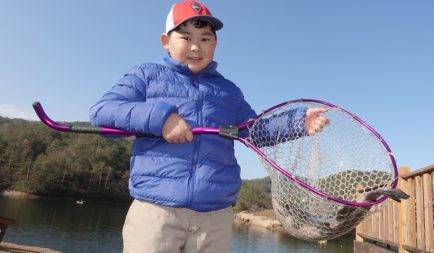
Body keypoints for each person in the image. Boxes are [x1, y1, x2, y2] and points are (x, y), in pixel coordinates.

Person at [89, 1, 328, 252]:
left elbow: (254, 130)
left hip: (216, 215)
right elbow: (102, 111)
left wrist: (297, 122)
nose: (195, 47)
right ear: (165, 41)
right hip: (156, 209)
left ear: (215, 45)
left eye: (205, 39)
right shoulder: (145, 75)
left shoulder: (229, 91)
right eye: (185, 37)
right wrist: (161, 118)